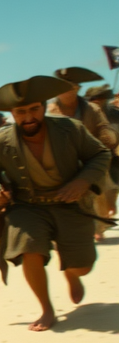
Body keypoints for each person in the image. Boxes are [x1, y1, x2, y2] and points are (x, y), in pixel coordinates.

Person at [0, 75, 110, 331]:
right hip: (27, 206)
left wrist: (82, 181)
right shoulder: (0, 141)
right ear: (13, 113)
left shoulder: (70, 128)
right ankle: (46, 308)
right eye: (21, 112)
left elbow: (100, 154)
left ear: (44, 107)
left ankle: (71, 272)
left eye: (34, 109)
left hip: (70, 203)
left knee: (83, 267)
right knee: (29, 249)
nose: (28, 117)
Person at [50, 73, 119, 236]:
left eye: (72, 87)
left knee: (97, 194)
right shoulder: (49, 111)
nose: (68, 92)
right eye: (63, 88)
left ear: (78, 88)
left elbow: (104, 130)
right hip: (62, 163)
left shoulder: (91, 110)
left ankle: (97, 227)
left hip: (92, 159)